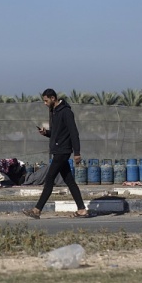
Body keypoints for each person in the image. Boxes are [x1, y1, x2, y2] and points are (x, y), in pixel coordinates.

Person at [24, 89, 88, 219]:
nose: (45, 103)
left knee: (49, 178)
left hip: (63, 151)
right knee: (69, 180)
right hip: (58, 150)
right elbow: (56, 132)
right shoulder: (54, 112)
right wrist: (46, 133)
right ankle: (82, 209)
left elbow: (74, 133)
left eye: (46, 100)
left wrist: (77, 152)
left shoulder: (66, 112)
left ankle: (37, 210)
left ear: (53, 98)